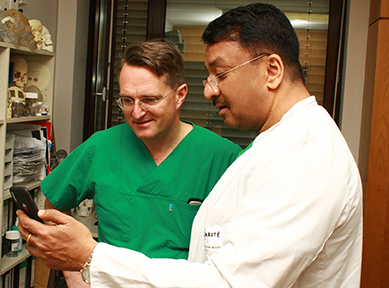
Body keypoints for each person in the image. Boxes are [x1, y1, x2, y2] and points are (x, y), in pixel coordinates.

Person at [18, 3, 363, 287]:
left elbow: (229, 283)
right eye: (126, 100)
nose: (210, 90)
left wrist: (92, 258)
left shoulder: (304, 156)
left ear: (271, 70)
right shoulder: (277, 145)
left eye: (221, 74)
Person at [37, 39, 241, 286]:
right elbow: (55, 204)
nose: (136, 112)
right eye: (127, 100)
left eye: (150, 99)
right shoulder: (102, 146)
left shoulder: (223, 157)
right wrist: (75, 275)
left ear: (180, 95)